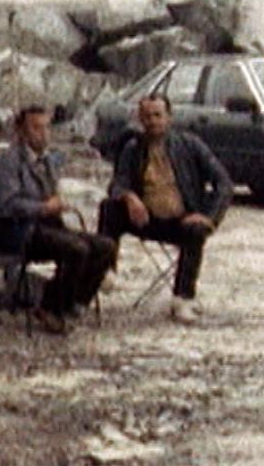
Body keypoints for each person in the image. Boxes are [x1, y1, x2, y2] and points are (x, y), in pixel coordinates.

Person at [99, 94, 233, 325]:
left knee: (196, 231)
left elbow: (224, 183)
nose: (152, 121)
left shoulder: (190, 145)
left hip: (181, 220)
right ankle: (104, 268)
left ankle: (183, 298)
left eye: (157, 115)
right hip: (146, 219)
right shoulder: (133, 148)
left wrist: (209, 217)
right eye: (147, 116)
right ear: (140, 119)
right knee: (109, 208)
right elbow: (117, 183)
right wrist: (130, 197)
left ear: (169, 117)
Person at [0, 105, 118, 335]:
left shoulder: (46, 160)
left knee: (105, 246)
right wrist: (42, 207)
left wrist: (57, 203)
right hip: (17, 231)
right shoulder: (8, 162)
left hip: (45, 226)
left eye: (46, 128)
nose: (43, 134)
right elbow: (6, 205)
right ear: (21, 131)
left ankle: (73, 303)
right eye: (36, 128)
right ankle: (51, 308)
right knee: (76, 249)